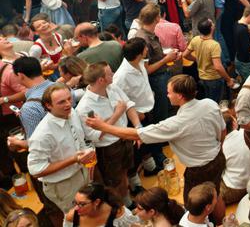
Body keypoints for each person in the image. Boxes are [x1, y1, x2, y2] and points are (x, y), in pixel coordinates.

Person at [85, 75, 226, 205]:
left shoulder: (176, 123)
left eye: (169, 92)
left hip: (199, 169)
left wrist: (103, 126)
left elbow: (136, 134)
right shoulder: (210, 103)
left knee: (194, 207)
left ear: (180, 96)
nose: (167, 95)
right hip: (218, 158)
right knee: (215, 194)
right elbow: (222, 131)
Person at [75, 63, 139, 204]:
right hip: (109, 148)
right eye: (110, 73)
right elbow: (94, 136)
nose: (114, 74)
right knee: (114, 182)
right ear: (100, 80)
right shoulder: (84, 107)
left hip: (125, 137)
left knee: (125, 171)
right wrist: (116, 114)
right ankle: (123, 206)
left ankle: (130, 197)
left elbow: (128, 104)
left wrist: (138, 127)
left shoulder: (112, 88)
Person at [27, 83, 93, 214]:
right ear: (48, 105)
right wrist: (74, 159)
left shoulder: (71, 112)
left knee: (88, 212)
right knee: (76, 217)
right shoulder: (42, 134)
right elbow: (35, 170)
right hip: (63, 184)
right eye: (61, 102)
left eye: (69, 99)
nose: (68, 104)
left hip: (82, 173)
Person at [184, 18, 236, 102]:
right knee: (214, 103)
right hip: (214, 79)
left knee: (207, 100)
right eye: (212, 23)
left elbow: (185, 55)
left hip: (202, 77)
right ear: (211, 28)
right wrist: (229, 80)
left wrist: (197, 59)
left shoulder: (195, 39)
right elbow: (218, 67)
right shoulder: (214, 45)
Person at [64, 183, 137, 227]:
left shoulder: (118, 213)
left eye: (82, 204)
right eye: (75, 202)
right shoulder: (72, 216)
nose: (76, 208)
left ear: (96, 202)